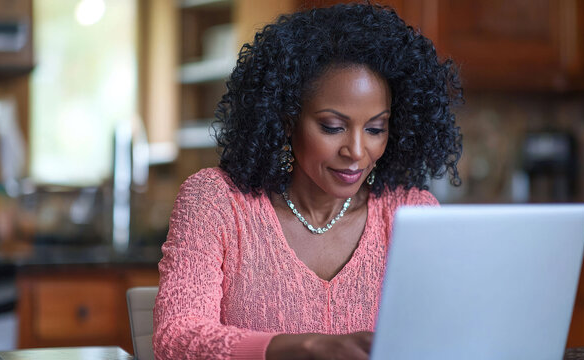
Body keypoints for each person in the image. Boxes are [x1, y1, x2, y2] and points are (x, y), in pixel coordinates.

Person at [153, 3, 462, 360]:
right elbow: (175, 337)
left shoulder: (410, 214)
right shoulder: (217, 201)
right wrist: (305, 347)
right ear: (287, 119)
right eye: (333, 127)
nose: (357, 151)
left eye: (376, 128)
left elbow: (449, 338)